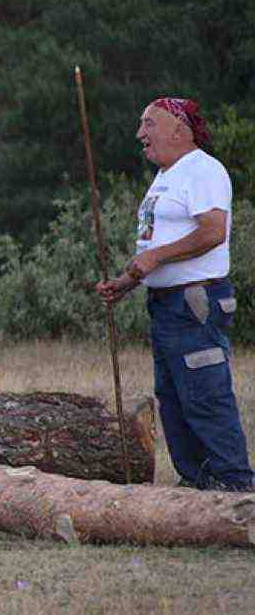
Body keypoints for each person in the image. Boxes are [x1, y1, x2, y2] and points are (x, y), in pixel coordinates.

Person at [96, 97, 254, 492]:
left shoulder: (202, 170)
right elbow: (158, 246)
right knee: (174, 398)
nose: (139, 134)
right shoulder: (167, 175)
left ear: (178, 130)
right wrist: (125, 281)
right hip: (167, 305)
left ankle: (235, 487)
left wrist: (154, 258)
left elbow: (213, 231)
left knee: (204, 396)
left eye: (149, 124)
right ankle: (197, 484)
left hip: (194, 304)